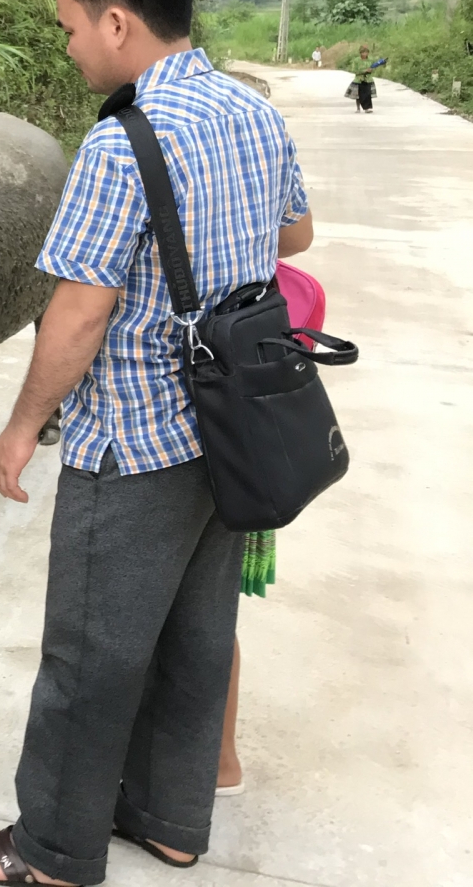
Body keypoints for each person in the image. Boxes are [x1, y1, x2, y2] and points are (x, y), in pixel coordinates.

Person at [0, 0, 313, 885]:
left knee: (88, 657)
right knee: (198, 638)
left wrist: (21, 426)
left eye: (67, 29)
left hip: (136, 440)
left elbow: (77, 312)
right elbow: (297, 233)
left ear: (115, 22)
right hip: (231, 432)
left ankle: (52, 850)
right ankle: (173, 819)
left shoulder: (121, 141)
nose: (65, 49)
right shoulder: (253, 112)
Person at [216, 258, 327, 796]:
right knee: (210, 611)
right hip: (251, 400)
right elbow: (299, 233)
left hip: (220, 409)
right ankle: (218, 759)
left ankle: (218, 761)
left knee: (200, 615)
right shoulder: (271, 168)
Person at [346, 44, 377, 113]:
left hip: (368, 79)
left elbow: (373, 68)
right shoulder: (356, 61)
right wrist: (364, 71)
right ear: (360, 53)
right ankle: (358, 108)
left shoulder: (370, 60)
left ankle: (367, 108)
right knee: (358, 95)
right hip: (359, 80)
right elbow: (354, 70)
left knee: (368, 94)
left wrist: (371, 70)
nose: (365, 54)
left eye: (366, 52)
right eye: (363, 52)